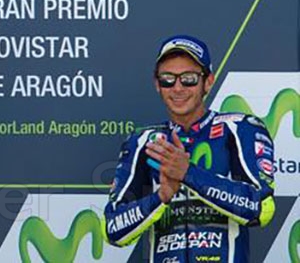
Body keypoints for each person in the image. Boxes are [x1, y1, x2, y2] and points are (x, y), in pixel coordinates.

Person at [104, 35, 275, 262]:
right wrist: (161, 197)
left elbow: (262, 208)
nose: (178, 88)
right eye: (167, 79)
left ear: (208, 81)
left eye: (189, 79)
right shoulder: (143, 141)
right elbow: (113, 229)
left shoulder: (239, 128)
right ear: (157, 84)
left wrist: (188, 174)